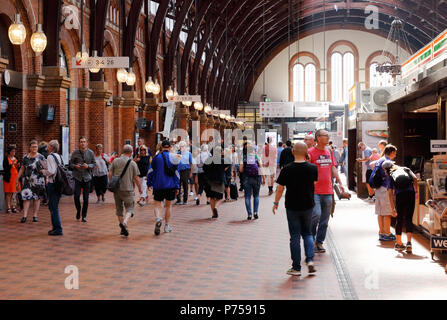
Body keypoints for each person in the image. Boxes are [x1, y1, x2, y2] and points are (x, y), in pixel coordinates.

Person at [273, 141, 318, 276]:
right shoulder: (312, 168)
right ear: (306, 153)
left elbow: (280, 188)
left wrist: (275, 203)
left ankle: (296, 268)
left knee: (294, 236)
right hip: (308, 205)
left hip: (292, 206)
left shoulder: (286, 169)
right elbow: (314, 182)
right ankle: (310, 260)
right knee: (308, 234)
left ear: (293, 152)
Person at [308, 129, 345, 253]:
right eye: (325, 135)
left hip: (328, 190)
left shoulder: (329, 151)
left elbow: (333, 167)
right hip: (314, 191)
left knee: (325, 219)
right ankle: (311, 239)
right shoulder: (310, 152)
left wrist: (340, 183)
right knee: (316, 215)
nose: (328, 137)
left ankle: (319, 242)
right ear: (318, 138)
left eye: (328, 135)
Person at [382, 160, 418, 253]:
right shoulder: (405, 169)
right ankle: (409, 243)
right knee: (409, 218)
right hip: (410, 194)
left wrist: (392, 207)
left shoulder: (390, 175)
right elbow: (415, 179)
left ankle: (399, 243)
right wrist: (416, 191)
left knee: (400, 219)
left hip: (400, 195)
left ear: (386, 169)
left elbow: (390, 192)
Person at [147, 140, 180, 235]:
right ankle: (166, 226)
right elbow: (177, 174)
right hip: (170, 186)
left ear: (161, 147)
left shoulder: (156, 158)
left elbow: (150, 171)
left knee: (157, 204)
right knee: (168, 206)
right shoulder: (174, 157)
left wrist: (149, 183)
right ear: (169, 147)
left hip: (158, 185)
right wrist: (177, 186)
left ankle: (158, 218)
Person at [108, 144, 142, 237]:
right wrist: (140, 189)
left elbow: (110, 173)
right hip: (128, 189)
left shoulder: (115, 161)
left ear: (122, 151)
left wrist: (111, 183)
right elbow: (136, 178)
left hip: (117, 189)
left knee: (119, 209)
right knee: (130, 208)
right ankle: (125, 223)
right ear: (131, 153)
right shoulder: (132, 163)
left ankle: (122, 229)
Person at [372, 144, 398, 241]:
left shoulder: (379, 160)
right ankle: (387, 233)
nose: (395, 155)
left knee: (380, 212)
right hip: (385, 188)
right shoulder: (388, 162)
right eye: (394, 153)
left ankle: (381, 232)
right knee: (387, 212)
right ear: (391, 153)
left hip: (378, 189)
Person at [16, 140, 46, 223]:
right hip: (27, 180)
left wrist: (46, 177)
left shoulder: (41, 157)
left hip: (38, 180)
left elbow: (46, 168)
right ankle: (24, 216)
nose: (34, 148)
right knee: (26, 198)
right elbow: (22, 168)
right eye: (33, 147)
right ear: (29, 147)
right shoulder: (26, 157)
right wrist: (17, 178)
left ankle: (35, 215)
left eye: (36, 147)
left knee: (37, 198)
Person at [69, 136, 96, 222]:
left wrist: (88, 166)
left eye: (84, 142)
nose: (82, 143)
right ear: (79, 143)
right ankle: (78, 210)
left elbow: (94, 164)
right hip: (77, 177)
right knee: (76, 196)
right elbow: (70, 164)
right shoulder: (75, 153)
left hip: (87, 177)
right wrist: (75, 166)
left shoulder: (91, 152)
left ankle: (84, 215)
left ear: (86, 143)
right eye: (81, 142)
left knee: (86, 198)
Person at [41, 140, 63, 236]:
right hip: (59, 184)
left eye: (48, 145)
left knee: (53, 207)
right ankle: (55, 227)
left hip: (53, 184)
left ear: (51, 147)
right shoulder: (58, 156)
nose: (47, 146)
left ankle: (58, 229)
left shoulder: (50, 156)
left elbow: (51, 171)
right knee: (53, 206)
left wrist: (43, 171)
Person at [203, 145, 230, 219]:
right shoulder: (222, 160)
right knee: (219, 197)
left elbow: (204, 169)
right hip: (219, 181)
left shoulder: (208, 160)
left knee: (212, 197)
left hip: (209, 181)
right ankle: (216, 207)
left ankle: (213, 213)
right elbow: (229, 163)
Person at [240, 142, 264, 220]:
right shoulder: (257, 156)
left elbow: (240, 170)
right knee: (256, 196)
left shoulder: (243, 157)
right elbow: (261, 168)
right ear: (254, 150)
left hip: (247, 178)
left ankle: (249, 214)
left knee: (247, 196)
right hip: (257, 178)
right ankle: (255, 212)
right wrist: (263, 178)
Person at [3, 146, 20, 213]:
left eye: (14, 151)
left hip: (15, 178)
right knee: (8, 193)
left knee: (14, 193)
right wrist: (11, 164)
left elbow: (17, 168)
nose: (14, 152)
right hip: (9, 178)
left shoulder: (16, 158)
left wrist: (17, 166)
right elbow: (5, 168)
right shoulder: (6, 159)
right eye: (12, 151)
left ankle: (13, 207)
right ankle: (8, 207)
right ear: (9, 152)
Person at [175, 141, 193, 205]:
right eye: (181, 146)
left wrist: (191, 172)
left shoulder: (189, 154)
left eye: (183, 146)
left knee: (185, 185)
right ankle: (178, 200)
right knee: (178, 185)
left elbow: (191, 164)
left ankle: (185, 200)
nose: (182, 147)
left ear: (185, 147)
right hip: (178, 171)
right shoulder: (177, 153)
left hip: (186, 171)